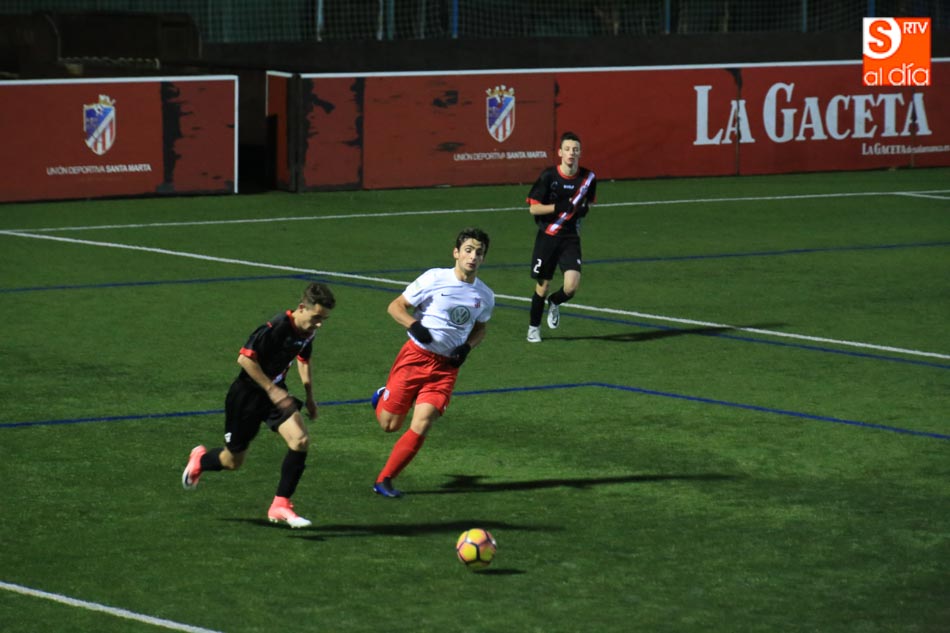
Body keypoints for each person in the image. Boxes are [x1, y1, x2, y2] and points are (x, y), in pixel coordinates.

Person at [181, 282, 336, 528]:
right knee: (233, 461)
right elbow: (245, 359)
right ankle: (200, 460)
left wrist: (309, 396)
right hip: (247, 396)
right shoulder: (276, 328)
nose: (319, 324)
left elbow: (304, 358)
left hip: (275, 395)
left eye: (323, 319)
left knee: (300, 440)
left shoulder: (308, 331)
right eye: (316, 317)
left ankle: (281, 504)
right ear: (301, 308)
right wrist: (272, 389)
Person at [370, 228, 495, 498]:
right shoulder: (434, 278)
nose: (473, 257)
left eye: (479, 252)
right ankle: (382, 395)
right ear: (456, 253)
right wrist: (415, 326)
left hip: (446, 369)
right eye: (468, 250)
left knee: (424, 421)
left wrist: (467, 347)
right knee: (389, 425)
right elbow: (395, 306)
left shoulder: (485, 295)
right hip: (416, 358)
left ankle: (385, 480)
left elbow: (481, 329)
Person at [525, 131, 597, 343]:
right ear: (560, 153)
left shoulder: (588, 178)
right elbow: (533, 209)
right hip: (548, 236)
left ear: (580, 153)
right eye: (567, 149)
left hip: (570, 238)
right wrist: (557, 207)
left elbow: (588, 204)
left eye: (575, 149)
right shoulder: (549, 176)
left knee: (571, 287)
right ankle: (533, 328)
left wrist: (583, 211)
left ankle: (555, 302)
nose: (571, 153)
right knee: (542, 286)